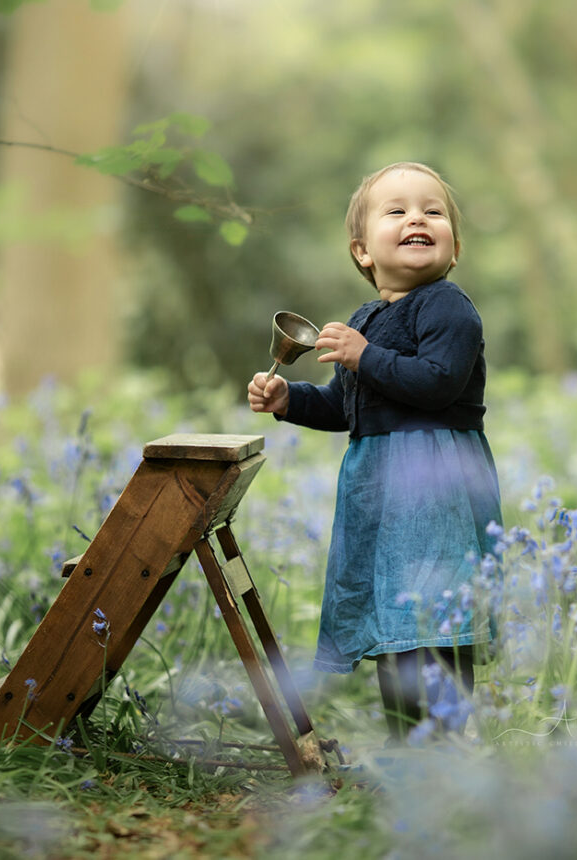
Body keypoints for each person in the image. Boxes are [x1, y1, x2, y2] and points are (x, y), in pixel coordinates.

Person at [246, 162, 502, 744]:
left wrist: (365, 356)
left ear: (455, 248)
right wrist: (290, 399)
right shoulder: (367, 319)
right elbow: (346, 407)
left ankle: (440, 751)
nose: (417, 218)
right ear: (363, 251)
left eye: (433, 211)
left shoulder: (447, 306)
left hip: (435, 486)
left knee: (433, 616)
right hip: (381, 493)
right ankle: (409, 748)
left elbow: (438, 381)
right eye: (397, 211)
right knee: (395, 620)